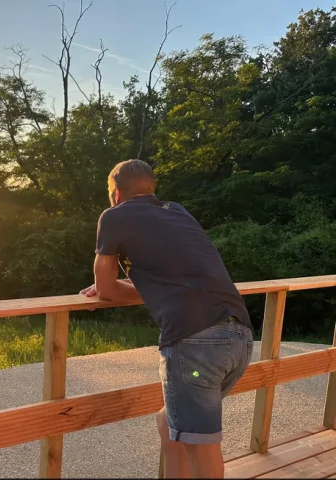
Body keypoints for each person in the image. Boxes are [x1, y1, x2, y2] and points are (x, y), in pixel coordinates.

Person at [80, 159, 254, 478]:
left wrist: (115, 286)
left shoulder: (114, 216)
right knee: (169, 423)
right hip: (240, 335)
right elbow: (176, 277)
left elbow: (104, 289)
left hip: (195, 341)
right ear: (151, 187)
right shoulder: (177, 210)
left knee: (200, 445)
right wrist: (138, 286)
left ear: (116, 193)